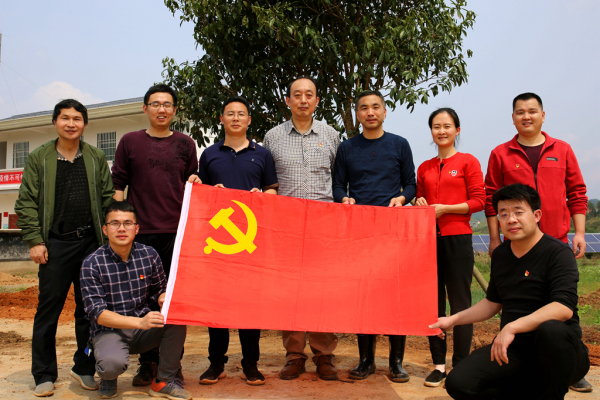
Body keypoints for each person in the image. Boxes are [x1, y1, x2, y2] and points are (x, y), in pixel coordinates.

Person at [431, 183, 590, 400]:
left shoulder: (557, 252)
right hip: (515, 350)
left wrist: (511, 327)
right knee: (458, 383)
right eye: (503, 214)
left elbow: (563, 308)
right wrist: (453, 320)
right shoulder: (501, 255)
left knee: (551, 329)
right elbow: (492, 302)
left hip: (560, 352)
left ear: (536, 215)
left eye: (518, 212)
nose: (511, 219)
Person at [484, 92, 590, 393]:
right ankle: (520, 359)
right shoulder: (500, 153)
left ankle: (570, 365)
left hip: (555, 241)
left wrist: (579, 233)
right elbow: (492, 200)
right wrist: (495, 238)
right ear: (513, 118)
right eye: (520, 112)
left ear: (543, 115)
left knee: (562, 305)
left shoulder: (562, 149)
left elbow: (577, 193)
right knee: (520, 300)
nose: (526, 116)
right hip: (516, 245)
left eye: (532, 111)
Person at [14, 99, 115, 397]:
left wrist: (108, 239)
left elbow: (107, 198)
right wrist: (35, 240)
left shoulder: (96, 157)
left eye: (77, 119)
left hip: (90, 245)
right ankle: (44, 374)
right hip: (55, 244)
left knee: (89, 311)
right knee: (49, 311)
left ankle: (84, 367)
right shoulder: (40, 157)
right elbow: (26, 202)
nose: (71, 124)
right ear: (55, 122)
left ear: (85, 124)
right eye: (65, 118)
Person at [111, 84, 199, 385]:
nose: (162, 109)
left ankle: (171, 365)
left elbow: (192, 183)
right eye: (156, 104)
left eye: (167, 104)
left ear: (175, 110)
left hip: (176, 234)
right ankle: (148, 363)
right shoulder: (130, 142)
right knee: (144, 299)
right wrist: (119, 225)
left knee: (173, 300)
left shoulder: (186, 144)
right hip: (141, 235)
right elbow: (118, 185)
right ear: (145, 108)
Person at [193, 95, 278, 386]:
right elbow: (200, 196)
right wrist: (210, 191)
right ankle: (216, 363)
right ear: (222, 119)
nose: (236, 118)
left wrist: (262, 196)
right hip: (218, 244)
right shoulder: (209, 154)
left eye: (241, 113)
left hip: (251, 241)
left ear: (249, 120)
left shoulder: (262, 154)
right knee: (216, 304)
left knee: (249, 305)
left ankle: (250, 364)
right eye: (230, 113)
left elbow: (273, 191)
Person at [332, 89, 416, 383]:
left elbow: (411, 184)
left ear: (384, 112)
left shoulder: (399, 144)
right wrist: (344, 199)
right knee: (363, 296)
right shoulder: (347, 148)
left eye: (376, 107)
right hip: (359, 232)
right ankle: (366, 360)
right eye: (364, 108)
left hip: (393, 230)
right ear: (357, 114)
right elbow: (338, 186)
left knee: (394, 296)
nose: (370, 112)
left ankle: (396, 362)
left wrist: (402, 199)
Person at [263, 76, 341, 381]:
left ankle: (324, 354)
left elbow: (338, 179)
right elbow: (268, 181)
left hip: (324, 225)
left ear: (317, 101)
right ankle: (294, 354)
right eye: (297, 95)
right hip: (286, 226)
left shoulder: (331, 135)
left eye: (309, 95)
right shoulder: (273, 137)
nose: (303, 100)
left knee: (323, 290)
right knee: (291, 291)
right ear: (288, 100)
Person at [80, 201, 191, 400]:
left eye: (127, 223)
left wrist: (163, 298)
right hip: (109, 331)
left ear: (137, 228)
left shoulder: (149, 255)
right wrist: (140, 322)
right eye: (115, 223)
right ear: (105, 229)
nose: (121, 229)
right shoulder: (92, 263)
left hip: (143, 331)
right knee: (111, 365)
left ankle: (164, 381)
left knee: (176, 319)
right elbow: (98, 314)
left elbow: (161, 289)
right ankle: (108, 377)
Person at [415, 108, 485, 387]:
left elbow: (479, 201)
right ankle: (438, 365)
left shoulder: (468, 161)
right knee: (433, 304)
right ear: (431, 131)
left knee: (461, 304)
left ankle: (461, 364)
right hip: (429, 241)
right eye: (436, 126)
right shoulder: (424, 167)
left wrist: (446, 209)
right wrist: (419, 202)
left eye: (447, 126)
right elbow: (419, 198)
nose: (441, 131)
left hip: (458, 239)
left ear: (457, 130)